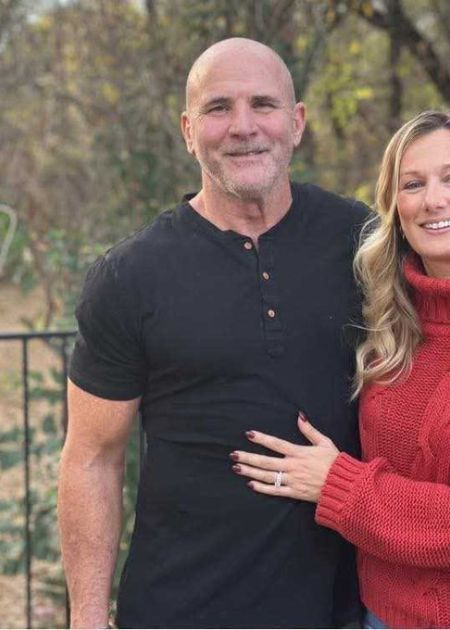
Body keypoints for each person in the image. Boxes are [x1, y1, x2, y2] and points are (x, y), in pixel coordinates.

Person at [230, 110, 450, 628]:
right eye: (413, 184)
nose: (433, 201)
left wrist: (343, 487)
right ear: (395, 207)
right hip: (378, 616)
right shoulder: (386, 324)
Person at [58, 38, 366, 627]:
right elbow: (92, 458)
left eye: (264, 105)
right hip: (181, 608)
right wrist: (88, 619)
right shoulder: (131, 275)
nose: (243, 127)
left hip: (343, 611)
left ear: (296, 123)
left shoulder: (362, 242)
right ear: (187, 129)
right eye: (218, 108)